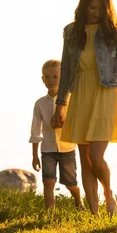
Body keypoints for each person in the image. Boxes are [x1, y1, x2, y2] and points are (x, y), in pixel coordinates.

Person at [51, 0, 117, 216]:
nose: (96, 13)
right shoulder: (71, 32)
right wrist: (60, 104)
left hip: (105, 94)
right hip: (81, 95)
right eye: (92, 8)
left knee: (96, 156)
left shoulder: (115, 32)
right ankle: (94, 213)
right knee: (85, 160)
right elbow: (65, 70)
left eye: (100, 8)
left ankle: (108, 192)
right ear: (84, 7)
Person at [30, 59, 85, 210]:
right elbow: (36, 131)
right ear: (42, 79)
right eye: (47, 77)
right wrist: (34, 155)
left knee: (70, 184)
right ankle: (50, 213)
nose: (51, 80)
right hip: (47, 150)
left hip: (67, 149)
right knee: (48, 181)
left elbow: (77, 122)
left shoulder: (70, 100)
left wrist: (63, 122)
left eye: (55, 76)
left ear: (62, 78)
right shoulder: (39, 104)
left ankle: (78, 201)